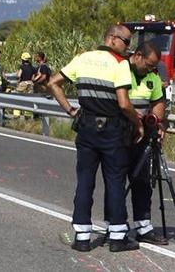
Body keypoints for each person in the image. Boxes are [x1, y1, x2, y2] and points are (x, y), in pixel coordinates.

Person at [46, 25, 143, 253]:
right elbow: (123, 103)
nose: (129, 47)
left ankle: (82, 236)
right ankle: (118, 237)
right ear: (112, 39)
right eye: (126, 42)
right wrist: (137, 122)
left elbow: (52, 82)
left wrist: (71, 110)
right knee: (115, 181)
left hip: (87, 127)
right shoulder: (120, 65)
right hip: (113, 129)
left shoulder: (82, 59)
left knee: (85, 180)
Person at [126, 42, 169, 245]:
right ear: (138, 56)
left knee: (142, 183)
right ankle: (115, 225)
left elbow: (158, 102)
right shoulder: (122, 71)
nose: (151, 69)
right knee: (116, 182)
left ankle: (143, 226)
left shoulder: (152, 77)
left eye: (155, 67)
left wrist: (156, 121)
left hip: (143, 139)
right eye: (149, 64)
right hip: (120, 136)